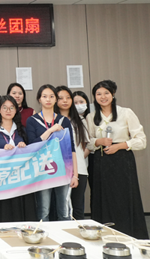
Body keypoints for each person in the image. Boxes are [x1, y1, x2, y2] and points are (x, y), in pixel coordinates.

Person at [86, 80, 148, 239]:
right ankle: (103, 237)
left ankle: (128, 235)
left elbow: (141, 140)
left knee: (124, 199)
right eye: (98, 94)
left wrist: (120, 146)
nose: (103, 97)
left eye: (106, 93)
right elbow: (88, 143)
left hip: (122, 161)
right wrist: (98, 141)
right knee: (103, 200)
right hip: (101, 163)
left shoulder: (126, 113)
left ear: (113, 94)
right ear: (94, 97)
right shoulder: (91, 116)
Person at [25, 84, 78, 222]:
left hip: (63, 170)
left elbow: (71, 149)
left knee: (64, 212)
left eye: (51, 96)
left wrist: (75, 175)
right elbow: (32, 145)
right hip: (42, 171)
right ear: (39, 99)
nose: (48, 99)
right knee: (44, 212)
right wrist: (50, 131)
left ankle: (65, 236)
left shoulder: (64, 121)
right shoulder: (32, 120)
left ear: (56, 99)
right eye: (44, 96)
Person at [0, 96, 35, 223]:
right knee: (4, 214)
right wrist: (2, 149)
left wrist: (24, 147)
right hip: (2, 180)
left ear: (16, 110)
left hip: (21, 179)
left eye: (11, 108)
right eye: (4, 107)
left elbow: (33, 151)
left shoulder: (22, 130)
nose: (8, 111)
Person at [55, 86, 89, 220]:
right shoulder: (53, 121)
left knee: (77, 207)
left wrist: (74, 162)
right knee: (60, 208)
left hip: (79, 169)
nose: (65, 101)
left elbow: (85, 146)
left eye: (68, 98)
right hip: (58, 170)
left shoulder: (80, 121)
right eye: (60, 98)